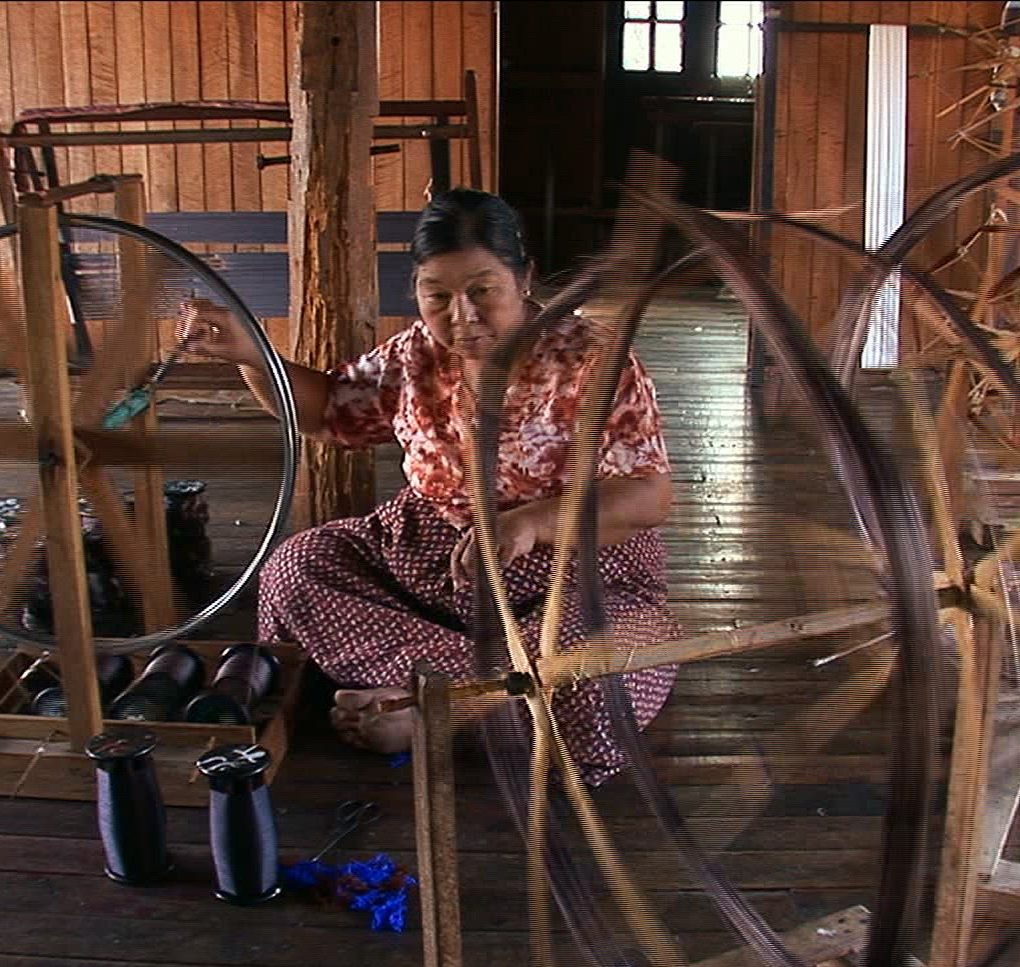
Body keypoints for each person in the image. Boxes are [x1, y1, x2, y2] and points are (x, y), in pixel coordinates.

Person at [181, 188, 677, 786]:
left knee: (602, 686)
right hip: (429, 563)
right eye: (436, 296)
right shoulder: (415, 352)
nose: (460, 317)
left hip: (571, 578)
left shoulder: (593, 359)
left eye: (483, 292)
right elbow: (327, 410)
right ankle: (482, 695)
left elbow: (648, 495)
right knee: (295, 570)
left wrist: (529, 522)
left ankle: (435, 709)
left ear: (525, 279)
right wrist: (252, 353)